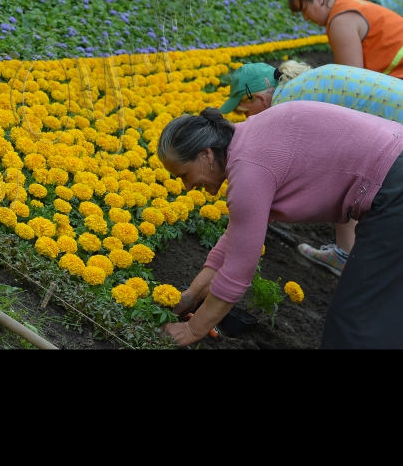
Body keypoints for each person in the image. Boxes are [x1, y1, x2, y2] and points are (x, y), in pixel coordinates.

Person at [157, 104, 403, 349]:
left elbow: (238, 270)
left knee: (355, 320)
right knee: (383, 310)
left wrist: (191, 329)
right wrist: (191, 296)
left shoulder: (249, 169)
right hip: (395, 165)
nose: (187, 187)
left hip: (395, 188)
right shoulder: (250, 140)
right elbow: (238, 239)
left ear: (206, 155)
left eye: (184, 175)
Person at [219, 60, 403, 276]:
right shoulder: (306, 84)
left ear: (260, 99)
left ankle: (347, 258)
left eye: (244, 112)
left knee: (344, 177)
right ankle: (344, 254)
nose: (246, 119)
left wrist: (252, 211)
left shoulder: (287, 106)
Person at [289, 0, 403, 79]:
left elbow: (351, 80)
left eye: (304, 10)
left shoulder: (340, 21)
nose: (305, 18)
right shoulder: (345, 2)